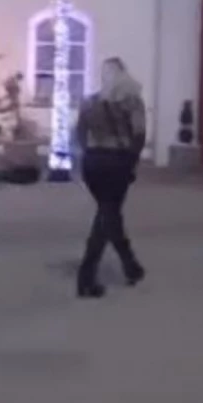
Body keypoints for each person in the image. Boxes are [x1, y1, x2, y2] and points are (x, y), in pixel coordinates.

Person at [74, 57, 146, 299]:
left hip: (92, 163)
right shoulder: (132, 101)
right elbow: (139, 135)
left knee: (109, 213)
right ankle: (86, 277)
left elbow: (79, 133)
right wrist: (131, 164)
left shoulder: (89, 102)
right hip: (117, 162)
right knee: (106, 217)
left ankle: (131, 265)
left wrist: (88, 155)